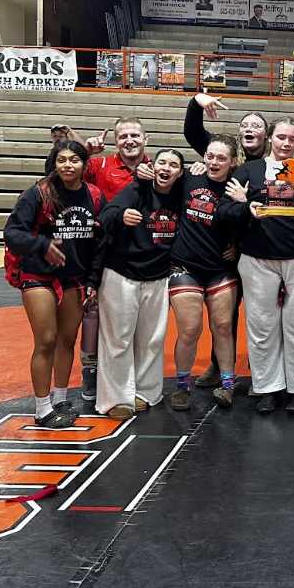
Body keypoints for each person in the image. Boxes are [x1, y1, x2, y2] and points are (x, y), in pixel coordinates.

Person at [217, 117, 294, 415]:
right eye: (281, 137)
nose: (286, 143)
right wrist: (246, 206)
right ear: (270, 139)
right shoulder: (247, 170)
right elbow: (224, 211)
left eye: (292, 138)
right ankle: (268, 388)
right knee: (262, 326)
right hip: (257, 258)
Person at [3, 141, 102, 428]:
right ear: (54, 163)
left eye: (74, 160)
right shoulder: (38, 193)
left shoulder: (94, 196)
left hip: (74, 277)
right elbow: (12, 233)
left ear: (85, 165)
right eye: (62, 160)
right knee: (46, 340)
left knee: (67, 340)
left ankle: (60, 398)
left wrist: (93, 280)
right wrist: (42, 244)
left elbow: (100, 244)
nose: (68, 165)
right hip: (38, 275)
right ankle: (42, 408)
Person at [182, 93, 268, 389]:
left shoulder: (274, 164)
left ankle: (265, 372)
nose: (249, 128)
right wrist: (197, 102)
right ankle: (218, 366)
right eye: (245, 124)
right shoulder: (226, 158)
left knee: (262, 317)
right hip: (224, 257)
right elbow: (193, 132)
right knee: (224, 318)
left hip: (259, 252)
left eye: (257, 125)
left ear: (266, 136)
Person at [93, 149, 184, 420]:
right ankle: (115, 398)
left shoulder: (181, 195)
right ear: (152, 166)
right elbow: (106, 216)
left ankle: (145, 392)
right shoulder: (137, 189)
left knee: (152, 340)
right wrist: (121, 217)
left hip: (157, 276)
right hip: (122, 272)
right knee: (118, 339)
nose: (166, 168)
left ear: (181, 172)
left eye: (174, 165)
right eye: (162, 162)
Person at [77, 117, 153, 402]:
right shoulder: (99, 166)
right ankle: (91, 368)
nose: (129, 140)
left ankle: (131, 371)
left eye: (135, 135)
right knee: (93, 311)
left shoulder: (157, 167)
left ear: (146, 139)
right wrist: (85, 152)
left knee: (135, 316)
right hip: (103, 250)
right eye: (123, 136)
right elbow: (61, 175)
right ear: (116, 141)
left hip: (143, 251)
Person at [165, 135, 241, 410]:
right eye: (210, 156)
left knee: (222, 327)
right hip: (186, 265)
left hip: (220, 269)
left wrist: (238, 245)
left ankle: (228, 385)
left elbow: (251, 223)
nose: (214, 162)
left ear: (233, 162)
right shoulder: (190, 178)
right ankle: (183, 385)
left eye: (221, 158)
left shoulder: (237, 189)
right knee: (189, 328)